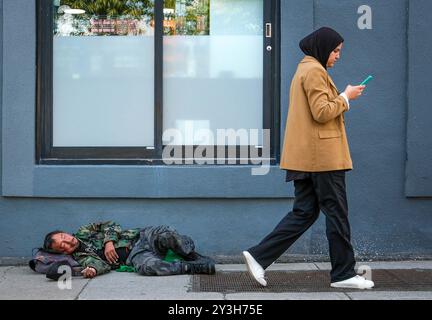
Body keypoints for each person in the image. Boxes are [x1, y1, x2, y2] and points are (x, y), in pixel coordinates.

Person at [243, 27, 374, 290]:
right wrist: (346, 97)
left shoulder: (306, 68)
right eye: (335, 50)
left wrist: (343, 97)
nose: (337, 56)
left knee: (304, 213)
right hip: (322, 158)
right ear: (322, 47)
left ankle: (259, 256)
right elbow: (322, 111)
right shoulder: (314, 71)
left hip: (307, 157)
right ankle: (343, 274)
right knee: (337, 214)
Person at [43, 221, 215, 278]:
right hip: (135, 255)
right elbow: (101, 265)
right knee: (148, 267)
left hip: (141, 237)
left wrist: (109, 241)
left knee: (166, 233)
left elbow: (111, 224)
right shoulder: (81, 258)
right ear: (63, 252)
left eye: (63, 237)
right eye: (62, 245)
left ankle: (191, 255)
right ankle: (193, 267)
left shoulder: (84, 230)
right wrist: (92, 270)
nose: (67, 241)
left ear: (65, 232)